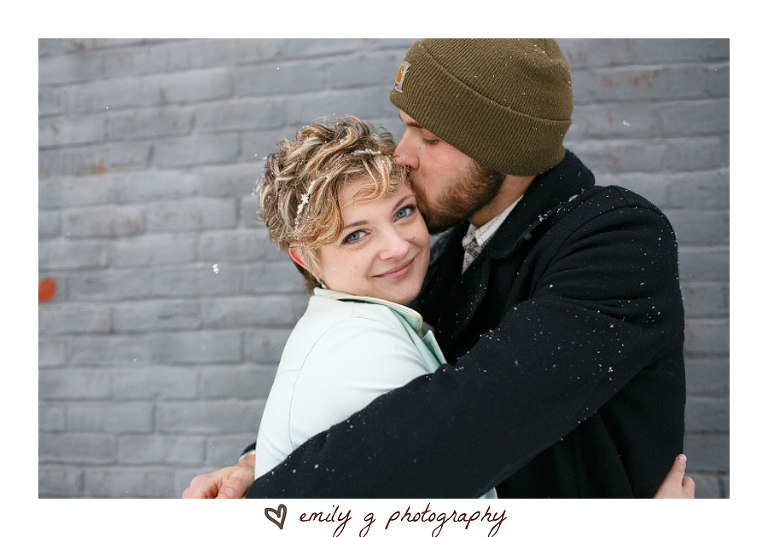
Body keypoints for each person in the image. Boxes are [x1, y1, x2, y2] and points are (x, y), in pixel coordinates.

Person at [184, 38, 689, 498]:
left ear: (504, 148)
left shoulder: (617, 240)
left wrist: (270, 504)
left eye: (427, 137)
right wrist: (260, 459)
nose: (402, 156)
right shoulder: (445, 251)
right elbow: (389, 404)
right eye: (405, 127)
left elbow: (474, 417)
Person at [249, 115, 495, 498]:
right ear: (306, 259)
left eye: (403, 212)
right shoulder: (360, 346)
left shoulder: (347, 324)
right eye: (356, 235)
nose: (397, 247)